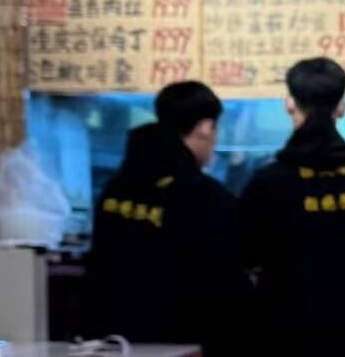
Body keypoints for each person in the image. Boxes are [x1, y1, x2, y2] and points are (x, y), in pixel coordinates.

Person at [85, 81, 252, 352]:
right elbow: (226, 283)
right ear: (205, 127)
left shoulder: (115, 188)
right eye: (216, 129)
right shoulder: (206, 196)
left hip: (115, 340)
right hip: (182, 342)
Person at [241, 58, 345, 356]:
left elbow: (247, 259)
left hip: (287, 340)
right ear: (342, 107)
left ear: (289, 104)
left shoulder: (268, 182)